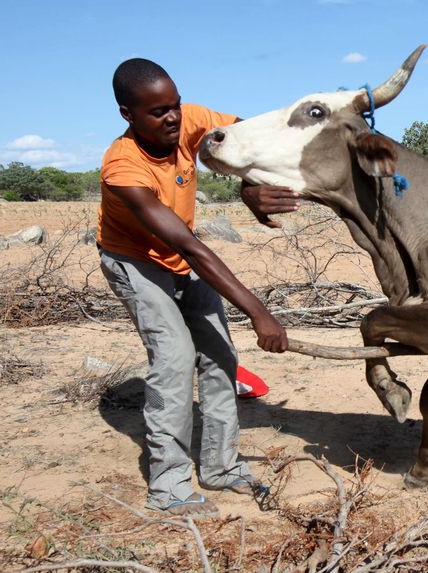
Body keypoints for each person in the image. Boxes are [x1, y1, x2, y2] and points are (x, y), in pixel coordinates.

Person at [97, 57, 299, 518]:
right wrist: (258, 310)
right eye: (157, 111)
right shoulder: (123, 168)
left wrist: (250, 183)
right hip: (136, 261)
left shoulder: (188, 121)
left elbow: (252, 137)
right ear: (128, 114)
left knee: (220, 354)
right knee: (173, 359)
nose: (172, 118)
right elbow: (189, 246)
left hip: (179, 257)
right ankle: (168, 486)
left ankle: (221, 466)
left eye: (175, 105)